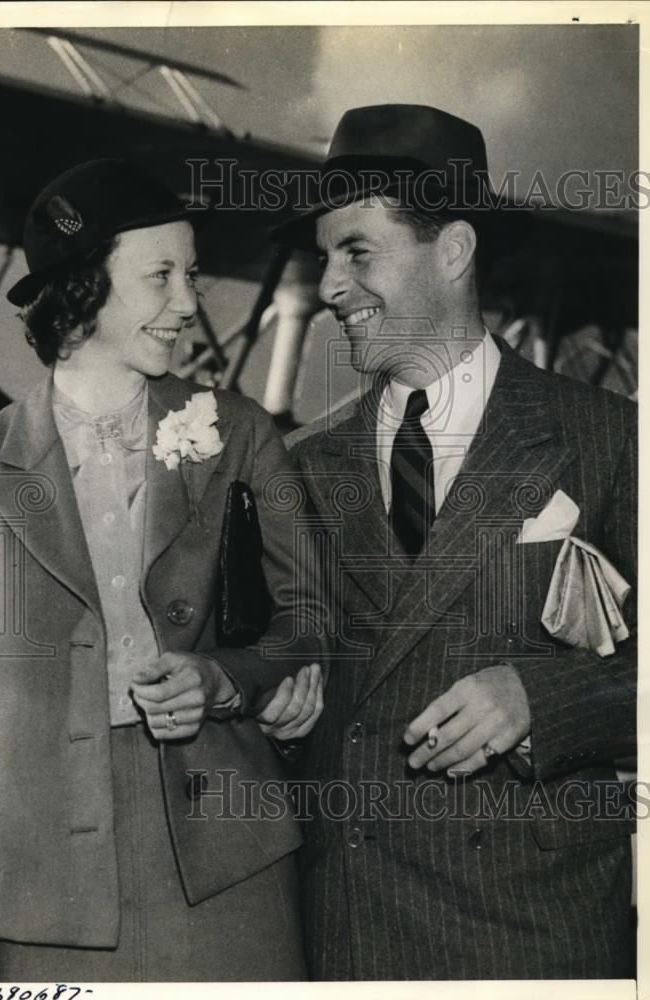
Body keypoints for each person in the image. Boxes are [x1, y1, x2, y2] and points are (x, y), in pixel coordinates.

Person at [0, 157, 327, 983]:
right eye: (161, 276)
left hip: (230, 869)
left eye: (193, 275)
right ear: (82, 287)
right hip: (40, 895)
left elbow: (312, 620)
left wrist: (222, 678)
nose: (188, 303)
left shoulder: (240, 431)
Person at [275, 105, 637, 979]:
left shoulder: (610, 439)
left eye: (357, 252)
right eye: (325, 257)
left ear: (454, 250)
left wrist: (541, 700)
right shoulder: (300, 465)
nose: (329, 286)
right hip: (346, 933)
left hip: (531, 940)